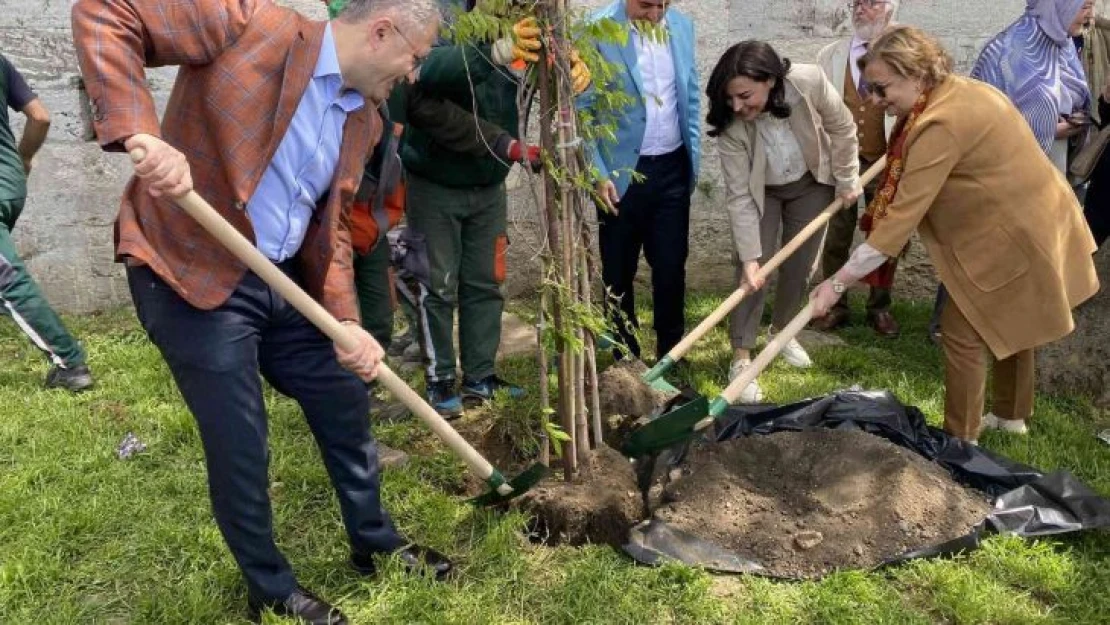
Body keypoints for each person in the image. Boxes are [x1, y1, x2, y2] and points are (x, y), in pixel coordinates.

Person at [71, 1, 452, 623]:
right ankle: (270, 590)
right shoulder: (250, 25)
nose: (413, 75)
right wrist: (141, 132)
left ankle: (374, 542)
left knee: (343, 395)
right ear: (383, 32)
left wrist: (346, 322)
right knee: (241, 437)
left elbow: (326, 230)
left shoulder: (365, 122)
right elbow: (108, 12)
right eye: (416, 58)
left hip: (279, 282)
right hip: (189, 268)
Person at [812, 25, 1099, 445]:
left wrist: (836, 283)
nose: (876, 101)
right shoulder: (960, 91)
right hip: (1034, 218)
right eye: (870, 89)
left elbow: (899, 222)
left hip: (1014, 232)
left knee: (962, 332)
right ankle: (1011, 417)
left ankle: (960, 443)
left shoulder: (939, 124)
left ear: (913, 72)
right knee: (1017, 316)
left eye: (881, 87)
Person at [400, 1, 555, 417]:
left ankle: (480, 377)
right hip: (435, 177)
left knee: (486, 281)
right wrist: (494, 52)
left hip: (488, 179)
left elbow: (531, 85)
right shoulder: (436, 12)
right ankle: (439, 378)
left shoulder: (520, 17)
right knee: (435, 281)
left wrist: (567, 67)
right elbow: (426, 75)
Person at [709, 41, 861, 402]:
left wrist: (847, 177)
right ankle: (742, 355)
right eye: (731, 99)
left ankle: (782, 333)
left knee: (801, 264)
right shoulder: (731, 123)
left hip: (811, 183)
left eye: (745, 95)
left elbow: (842, 128)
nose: (737, 106)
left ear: (771, 80)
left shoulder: (809, 81)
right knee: (753, 270)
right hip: (761, 191)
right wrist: (749, 256)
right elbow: (739, 195)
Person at [579, 0, 700, 364]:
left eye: (663, 4)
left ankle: (671, 354)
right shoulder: (593, 30)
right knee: (618, 270)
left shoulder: (681, 26)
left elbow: (689, 94)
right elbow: (581, 111)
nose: (656, 14)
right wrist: (597, 174)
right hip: (619, 174)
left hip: (672, 166)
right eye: (647, 5)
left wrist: (694, 155)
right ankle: (624, 356)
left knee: (670, 265)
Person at [0, 53, 93, 392]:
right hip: (10, 182)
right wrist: (23, 157)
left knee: (6, 279)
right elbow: (40, 117)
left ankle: (70, 363)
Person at [812, 0, 902, 337]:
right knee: (837, 235)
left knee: (885, 235)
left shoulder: (902, 53)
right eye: (857, 2)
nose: (861, 9)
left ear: (891, 7)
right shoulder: (830, 56)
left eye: (871, 2)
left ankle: (880, 307)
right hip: (843, 161)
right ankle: (836, 306)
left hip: (887, 160)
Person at [972, 1, 1095, 174]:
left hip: (1058, 177)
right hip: (1010, 181)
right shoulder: (1001, 54)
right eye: (1085, 7)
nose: (1091, 16)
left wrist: (1076, 124)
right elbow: (978, 126)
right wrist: (1047, 132)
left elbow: (1076, 99)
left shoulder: (1065, 46)